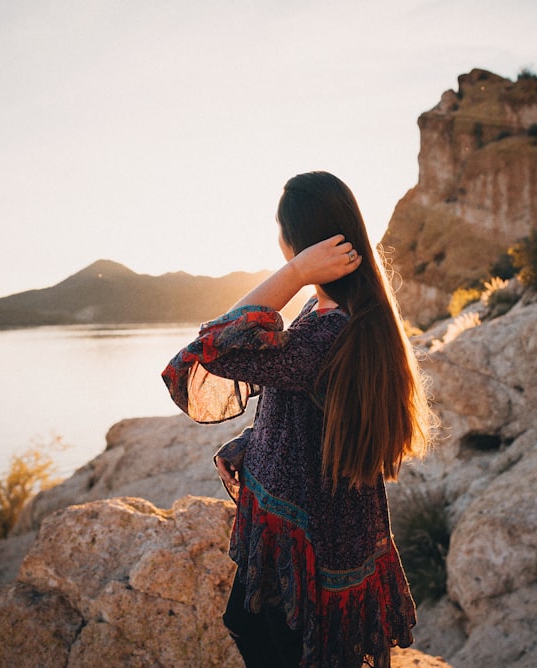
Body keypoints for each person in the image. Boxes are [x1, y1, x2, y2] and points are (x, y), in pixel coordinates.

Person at [162, 171, 434, 667]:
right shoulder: (349, 312)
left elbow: (206, 351)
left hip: (307, 537)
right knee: (256, 631)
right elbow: (315, 407)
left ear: (297, 241)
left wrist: (295, 272)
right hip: (320, 525)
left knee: (278, 651)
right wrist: (251, 441)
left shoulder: (325, 331)